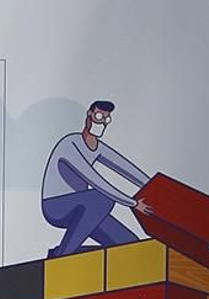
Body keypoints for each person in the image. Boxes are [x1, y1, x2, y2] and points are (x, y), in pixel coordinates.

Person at [41, 102, 149, 256]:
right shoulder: (69, 145)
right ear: (89, 114)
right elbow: (96, 181)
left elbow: (126, 168)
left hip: (85, 209)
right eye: (99, 116)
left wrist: (154, 186)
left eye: (106, 119)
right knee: (102, 199)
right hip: (56, 206)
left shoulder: (98, 147)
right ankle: (62, 256)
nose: (102, 122)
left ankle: (59, 252)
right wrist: (133, 203)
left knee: (129, 243)